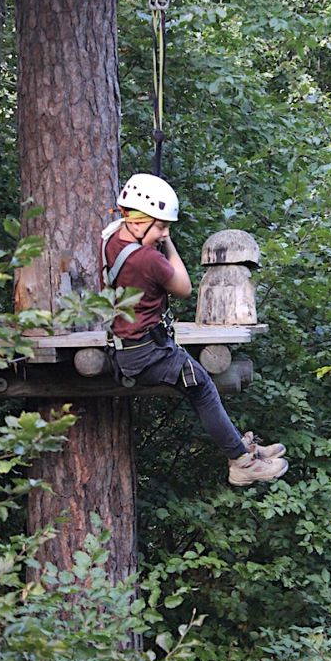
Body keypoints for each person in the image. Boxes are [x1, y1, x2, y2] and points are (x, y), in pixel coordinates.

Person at [101, 173, 288, 486]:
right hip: (147, 354)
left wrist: (156, 230)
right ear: (137, 222)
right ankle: (241, 462)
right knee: (202, 387)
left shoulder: (111, 238)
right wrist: (167, 244)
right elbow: (184, 287)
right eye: (161, 227)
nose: (164, 234)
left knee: (201, 383)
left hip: (130, 345)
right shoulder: (146, 258)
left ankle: (239, 448)